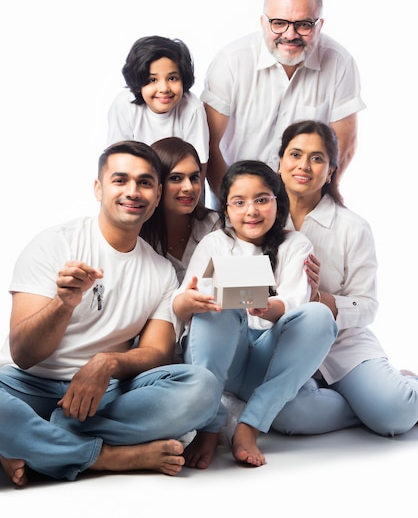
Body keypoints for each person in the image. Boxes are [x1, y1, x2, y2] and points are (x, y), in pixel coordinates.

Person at [0, 140, 218, 487]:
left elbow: (158, 352)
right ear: (98, 188)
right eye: (120, 180)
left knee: (203, 388)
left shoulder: (161, 271)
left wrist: (107, 363)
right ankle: (108, 458)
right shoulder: (54, 243)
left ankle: (33, 442)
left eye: (145, 183)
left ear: (158, 194)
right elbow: (23, 356)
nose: (133, 191)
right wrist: (62, 304)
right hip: (30, 386)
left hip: (108, 395)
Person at [172, 160, 337, 469]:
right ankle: (210, 423)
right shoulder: (215, 243)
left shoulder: (295, 244)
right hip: (226, 361)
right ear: (225, 209)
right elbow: (180, 304)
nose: (251, 211)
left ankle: (251, 424)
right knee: (214, 307)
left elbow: (297, 307)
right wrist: (191, 301)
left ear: (277, 201)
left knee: (319, 315)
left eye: (262, 200)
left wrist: (268, 307)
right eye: (239, 202)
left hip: (270, 361)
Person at [270, 120, 418, 436]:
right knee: (285, 415)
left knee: (397, 413)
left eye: (317, 158)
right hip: (287, 345)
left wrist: (321, 300)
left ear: (332, 170)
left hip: (343, 344)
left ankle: (394, 393)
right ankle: (367, 404)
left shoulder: (353, 227)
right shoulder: (258, 220)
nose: (304, 166)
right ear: (280, 161)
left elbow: (367, 306)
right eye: (295, 154)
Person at [202, 0, 365, 199]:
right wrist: (230, 203)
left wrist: (326, 194)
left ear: (320, 25)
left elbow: (344, 144)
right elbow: (209, 144)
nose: (290, 34)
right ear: (263, 22)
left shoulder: (340, 63)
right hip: (236, 195)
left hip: (305, 200)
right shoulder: (231, 61)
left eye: (304, 24)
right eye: (279, 23)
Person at [107, 35, 209, 183]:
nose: (164, 88)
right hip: (138, 182)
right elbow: (116, 159)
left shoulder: (192, 108)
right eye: (152, 80)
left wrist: (195, 204)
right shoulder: (124, 104)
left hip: (179, 186)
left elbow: (199, 165)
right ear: (138, 81)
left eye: (172, 78)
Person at [140, 137, 220, 285]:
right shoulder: (137, 234)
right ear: (156, 183)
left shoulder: (217, 226)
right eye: (176, 178)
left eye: (194, 177)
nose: (188, 187)